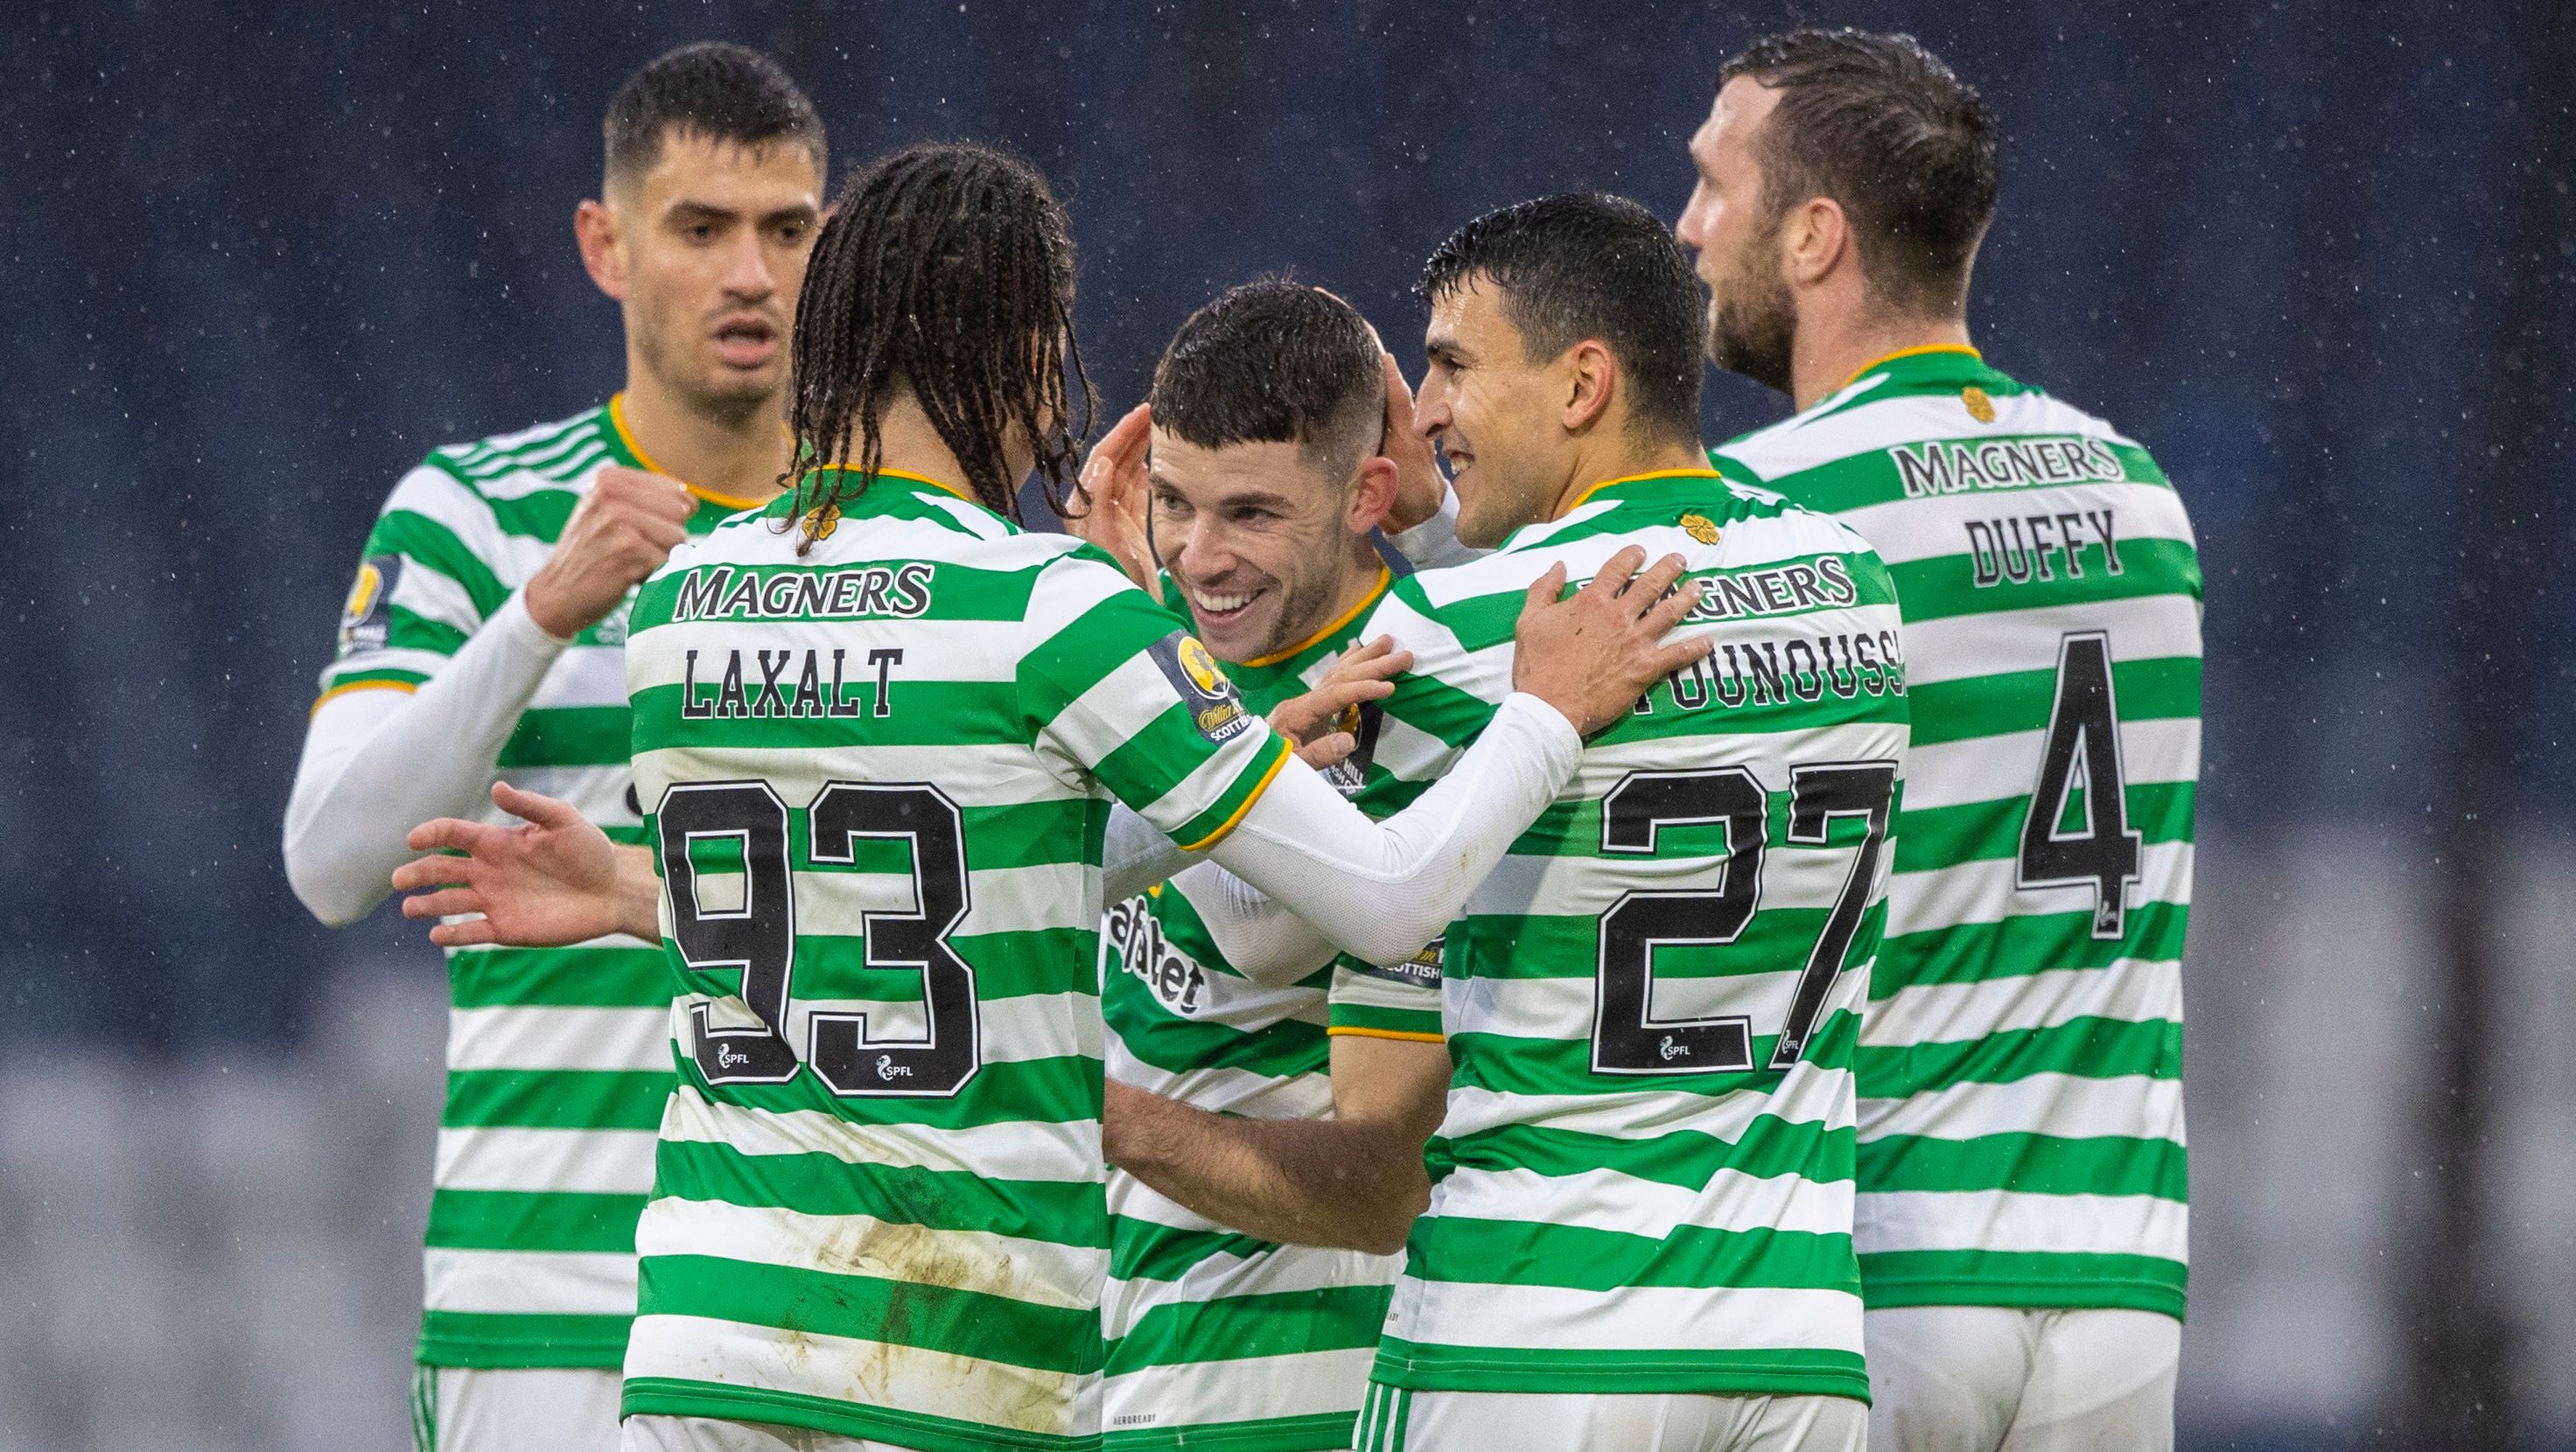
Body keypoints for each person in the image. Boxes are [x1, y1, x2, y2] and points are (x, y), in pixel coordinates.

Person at [389, 140, 1712, 1452]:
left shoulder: (683, 602)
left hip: (705, 1336)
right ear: (1013, 348)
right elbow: (1385, 900)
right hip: (953, 1360)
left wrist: (635, 890)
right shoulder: (1046, 607)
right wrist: (1546, 714)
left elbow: (930, 869)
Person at [1114, 193, 1911, 1452]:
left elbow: (1277, 951)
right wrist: (1437, 521)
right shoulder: (1855, 587)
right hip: (1792, 1334)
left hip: (1531, 1338)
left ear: (1582, 381)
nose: (1425, 416)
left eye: (1453, 368)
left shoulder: (1461, 645)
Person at [279, 41, 827, 1452]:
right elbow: (333, 860)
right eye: (700, 229)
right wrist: (539, 615)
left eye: (787, 230)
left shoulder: (897, 550)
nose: (751, 276)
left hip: (823, 1294)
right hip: (549, 1304)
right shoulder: (474, 517)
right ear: (607, 246)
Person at [1677, 29, 2202, 1452]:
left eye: (1714, 187)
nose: (1686, 231)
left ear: (1816, 235)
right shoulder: (2145, 500)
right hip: (2118, 1269)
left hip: (1879, 1249)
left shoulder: (1763, 512)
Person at [1061, 280, 1458, 1452]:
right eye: (1175, 502)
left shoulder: (1410, 700)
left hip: (1290, 1370)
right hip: (1123, 1338)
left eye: (1251, 514)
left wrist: (1066, 1106)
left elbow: (1255, 930)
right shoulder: (1161, 656)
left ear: (1363, 497)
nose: (1200, 555)